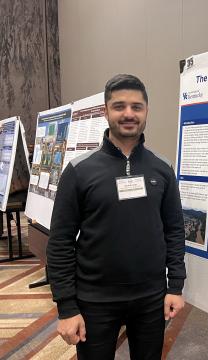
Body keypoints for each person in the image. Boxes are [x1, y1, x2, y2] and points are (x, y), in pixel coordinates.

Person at [47, 74, 186, 360]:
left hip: (151, 297)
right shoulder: (79, 171)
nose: (128, 114)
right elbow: (60, 241)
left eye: (137, 107)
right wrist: (67, 307)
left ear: (146, 111)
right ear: (105, 111)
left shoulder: (162, 169)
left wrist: (175, 286)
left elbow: (173, 230)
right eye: (119, 106)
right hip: (95, 300)